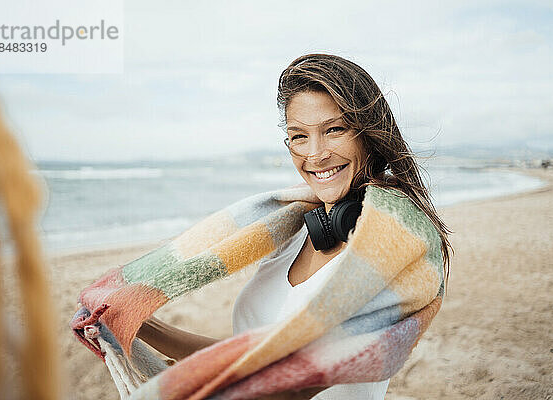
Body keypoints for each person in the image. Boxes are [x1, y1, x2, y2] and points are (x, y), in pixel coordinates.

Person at [137, 53, 452, 399]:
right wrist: (139, 325)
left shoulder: (398, 246)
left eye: (334, 130)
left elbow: (291, 387)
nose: (315, 155)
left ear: (368, 133)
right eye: (299, 136)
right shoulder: (298, 229)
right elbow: (250, 361)